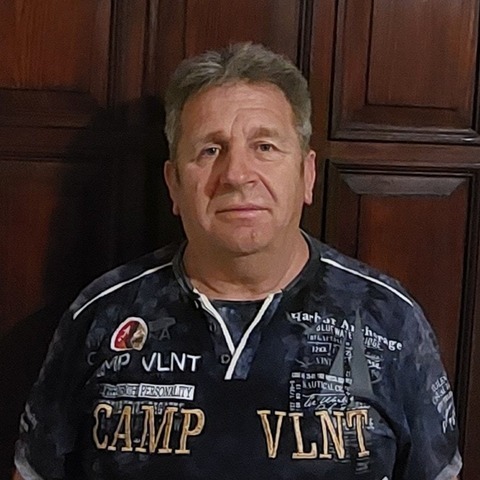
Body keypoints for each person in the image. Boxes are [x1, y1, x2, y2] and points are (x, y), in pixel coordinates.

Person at [14, 43, 461, 480]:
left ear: (307, 174)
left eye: (264, 146)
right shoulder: (102, 316)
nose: (236, 174)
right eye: (210, 150)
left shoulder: (389, 320)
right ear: (173, 184)